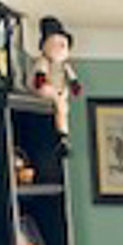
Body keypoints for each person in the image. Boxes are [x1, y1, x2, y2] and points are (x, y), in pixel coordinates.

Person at [31, 15, 84, 152]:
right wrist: (40, 81)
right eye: (57, 43)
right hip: (48, 88)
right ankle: (61, 134)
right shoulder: (44, 61)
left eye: (64, 44)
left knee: (63, 108)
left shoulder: (65, 65)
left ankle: (63, 135)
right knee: (59, 104)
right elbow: (40, 74)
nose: (61, 47)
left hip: (60, 90)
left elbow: (73, 79)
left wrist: (74, 86)